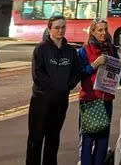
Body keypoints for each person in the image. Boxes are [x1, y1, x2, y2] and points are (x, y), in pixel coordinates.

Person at [26, 16, 80, 165]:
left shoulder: (71, 51)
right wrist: (55, 86)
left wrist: (68, 85)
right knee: (36, 139)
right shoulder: (41, 49)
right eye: (57, 27)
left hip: (61, 101)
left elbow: (76, 72)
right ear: (50, 29)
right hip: (41, 100)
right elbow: (37, 75)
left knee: (53, 138)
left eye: (63, 27)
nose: (60, 30)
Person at [77, 18, 121, 165]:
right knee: (87, 141)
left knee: (102, 140)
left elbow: (119, 70)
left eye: (105, 29)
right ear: (92, 32)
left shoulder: (111, 49)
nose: (104, 33)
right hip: (90, 100)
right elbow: (78, 75)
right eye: (100, 30)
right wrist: (94, 65)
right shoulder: (84, 50)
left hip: (106, 99)